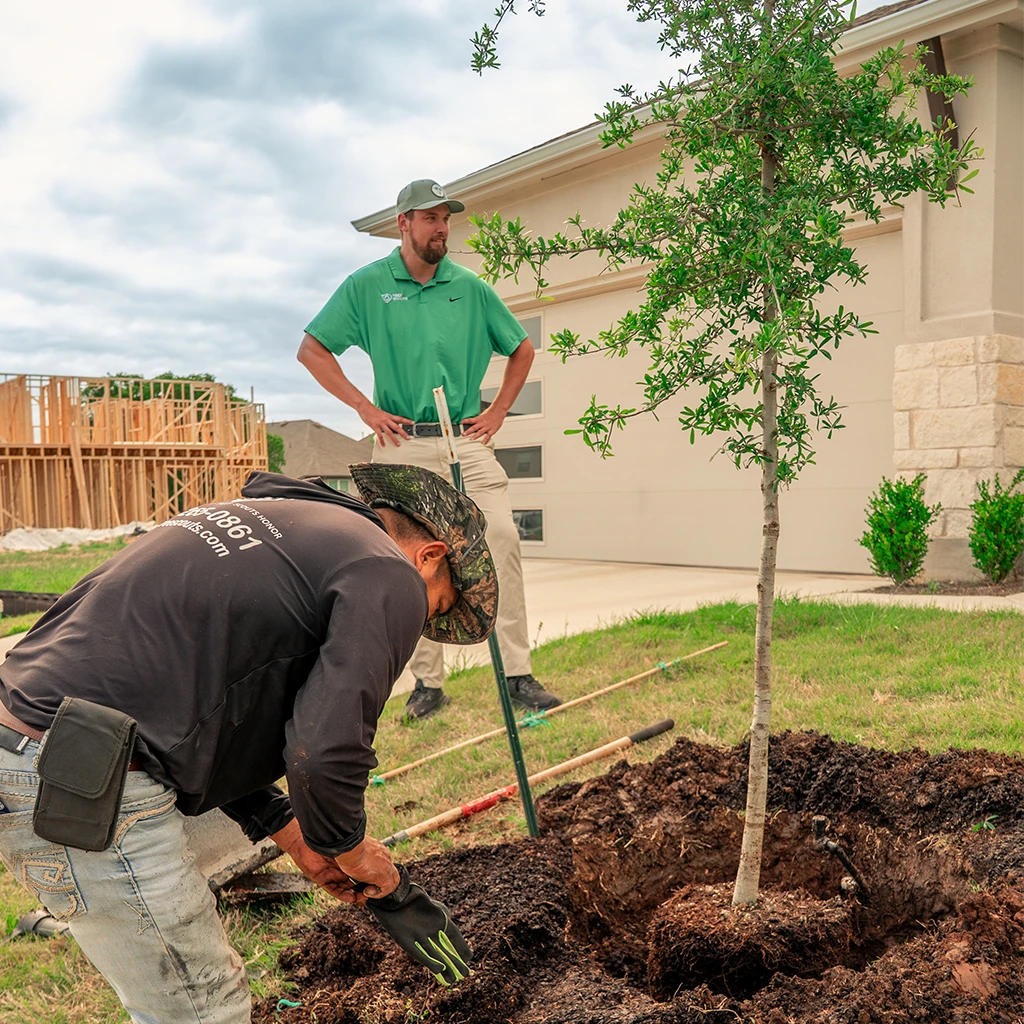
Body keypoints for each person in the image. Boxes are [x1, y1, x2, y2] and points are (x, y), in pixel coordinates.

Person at [0, 464, 489, 1022]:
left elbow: (195, 712)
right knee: (203, 1009)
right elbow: (324, 751)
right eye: (439, 605)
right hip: (80, 771)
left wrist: (294, 835)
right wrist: (350, 849)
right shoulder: (386, 569)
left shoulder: (285, 527)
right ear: (429, 555)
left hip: (31, 739)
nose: (420, 620)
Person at [297, 177, 562, 721]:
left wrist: (498, 411)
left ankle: (518, 674)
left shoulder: (470, 286)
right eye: (430, 218)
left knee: (503, 545)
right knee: (404, 565)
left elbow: (522, 349)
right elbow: (313, 349)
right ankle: (427, 683)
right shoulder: (368, 286)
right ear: (404, 224)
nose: (442, 228)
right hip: (402, 447)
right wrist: (365, 410)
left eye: (446, 218)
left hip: (464, 443)